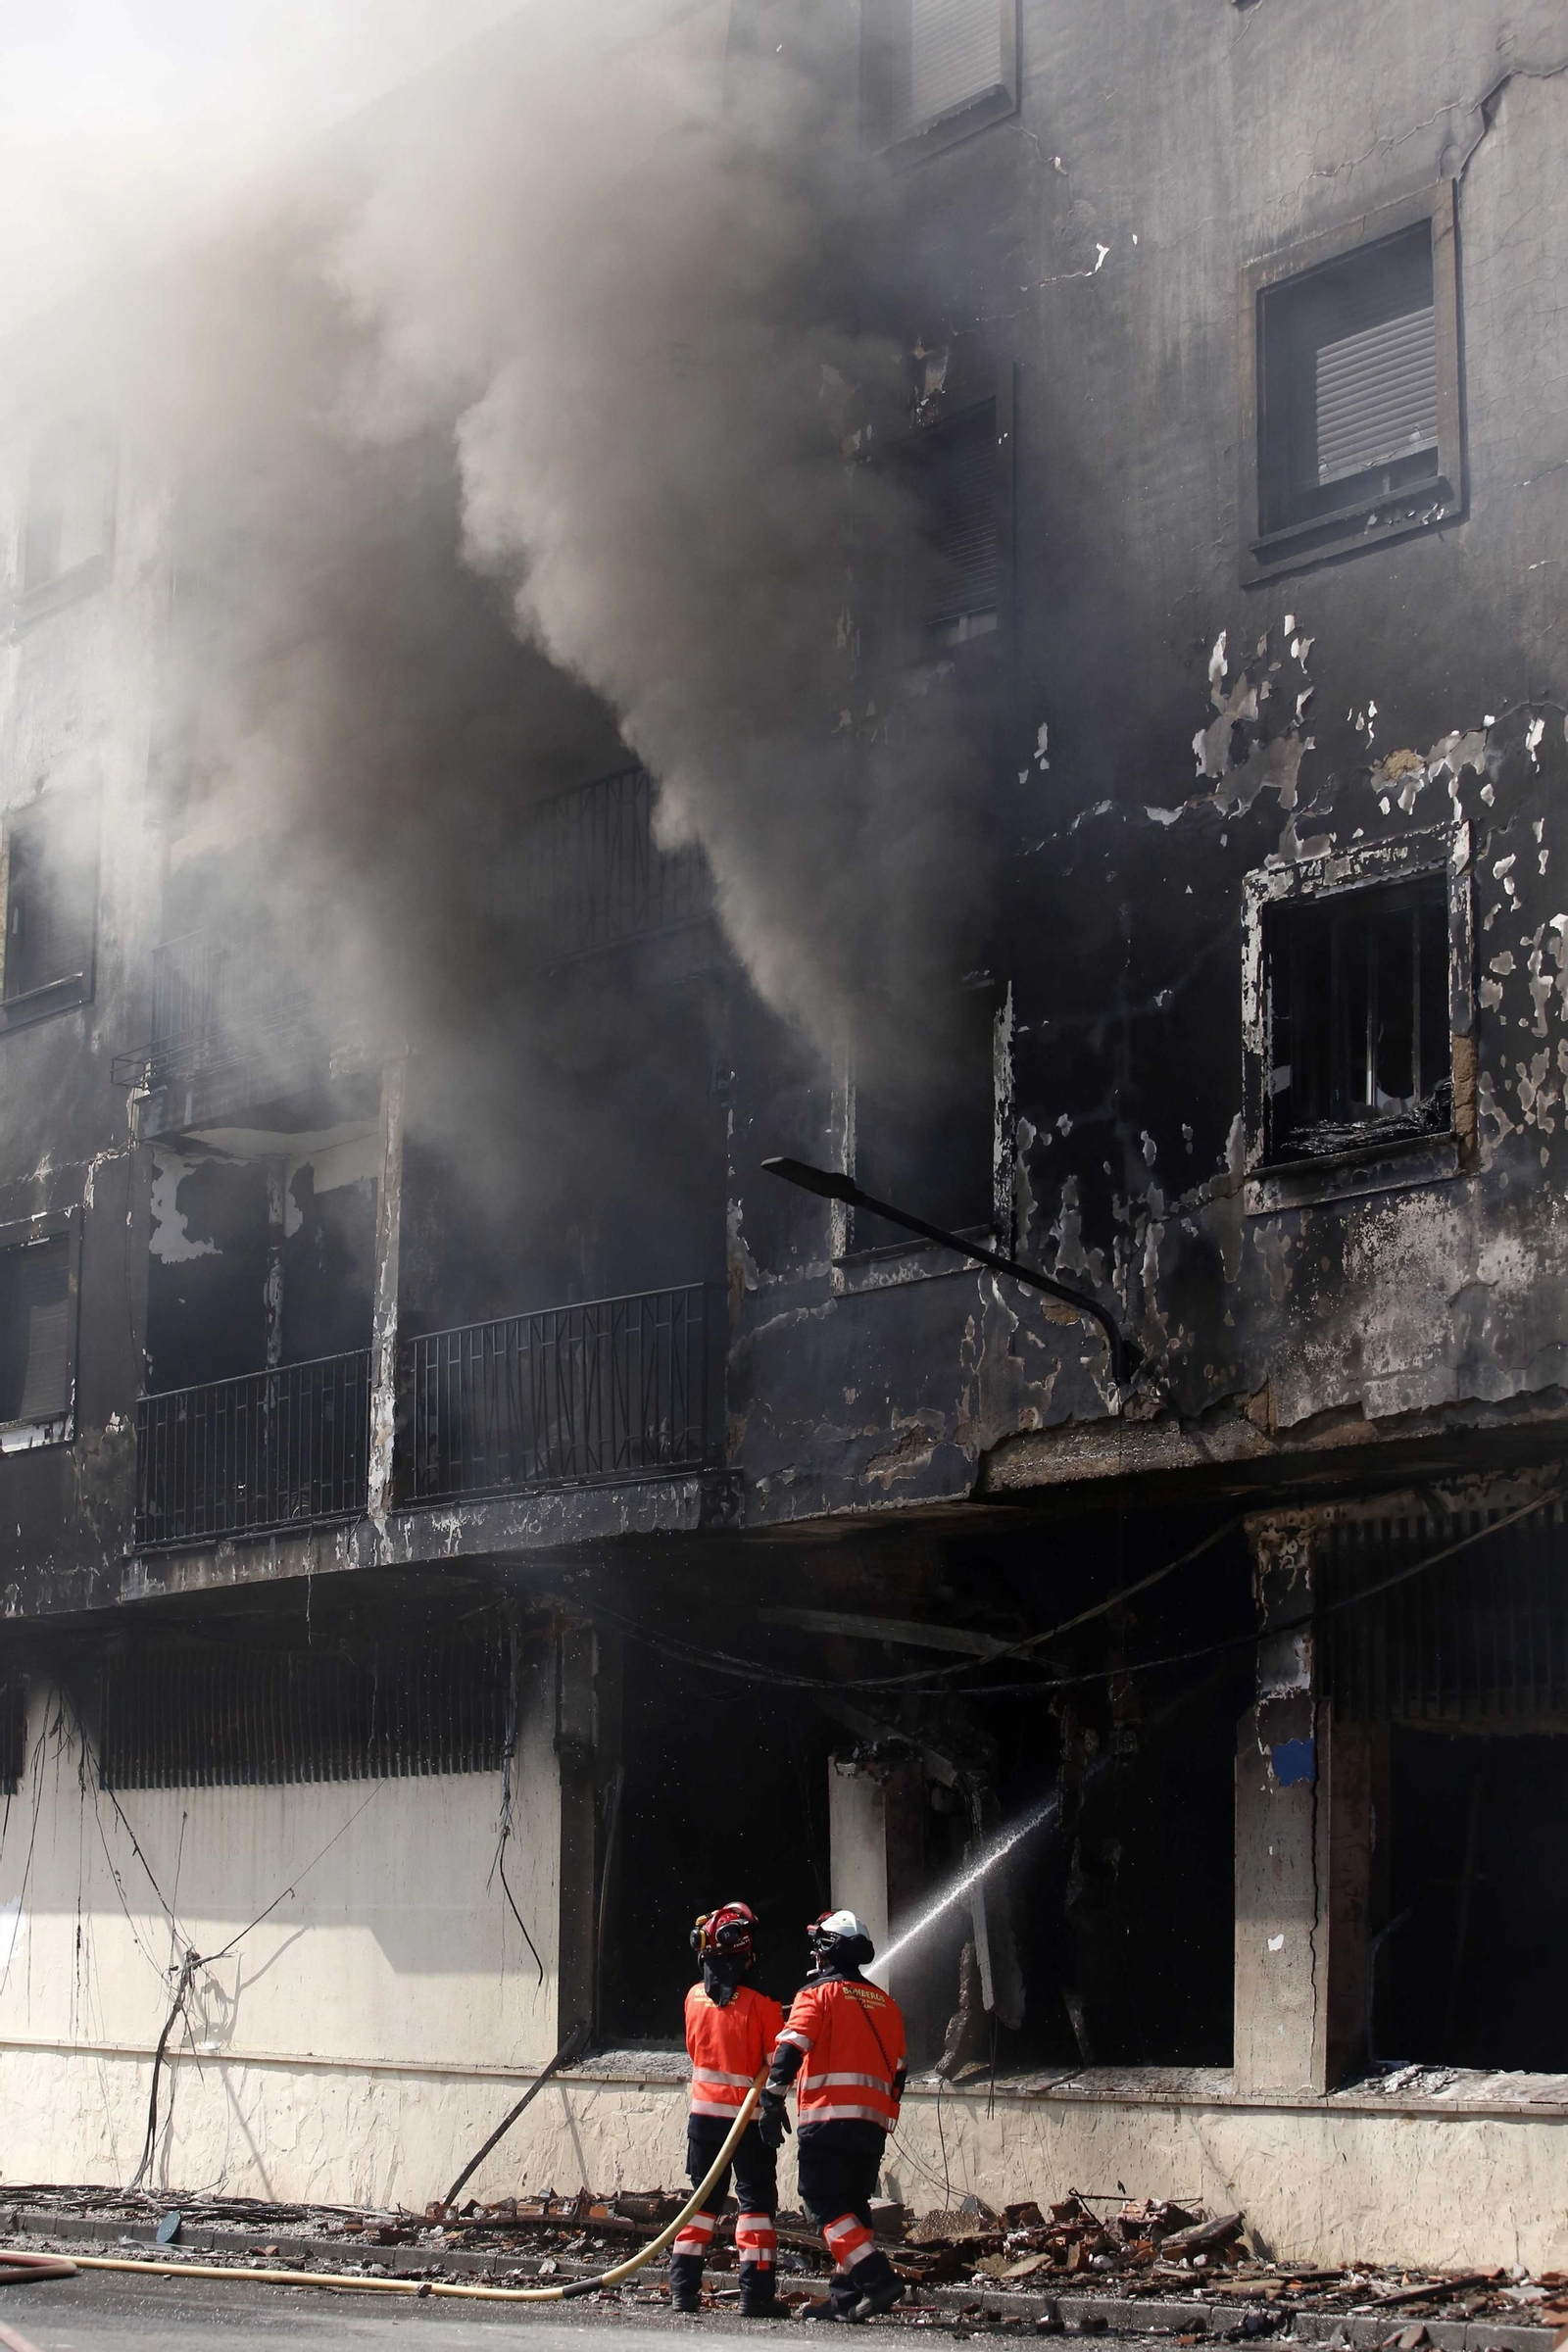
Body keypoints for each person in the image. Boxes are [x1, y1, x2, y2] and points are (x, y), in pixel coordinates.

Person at [759, 1908, 906, 2325]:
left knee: (821, 2201)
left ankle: (876, 2279)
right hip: (872, 2126)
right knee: (852, 2207)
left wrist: (772, 2102)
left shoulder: (816, 1995)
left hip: (826, 2120)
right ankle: (845, 2297)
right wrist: (885, 2118)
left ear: (826, 1950)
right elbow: (899, 2072)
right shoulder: (888, 2005)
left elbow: (790, 2048)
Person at [670, 1901, 788, 2318]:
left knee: (701, 2205)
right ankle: (755, 2297)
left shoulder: (692, 1999)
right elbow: (778, 2064)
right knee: (755, 2206)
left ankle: (683, 2292)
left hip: (703, 2119)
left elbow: (693, 2051)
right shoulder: (762, 2004)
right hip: (749, 2123)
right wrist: (774, 2105)